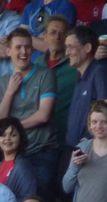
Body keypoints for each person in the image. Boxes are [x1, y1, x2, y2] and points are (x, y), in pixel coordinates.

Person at [0, 29, 58, 194]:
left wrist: (13, 129)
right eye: (18, 47)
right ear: (8, 51)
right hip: (12, 154)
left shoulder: (45, 74)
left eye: (27, 47)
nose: (23, 52)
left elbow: (43, 115)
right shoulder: (2, 82)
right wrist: (9, 92)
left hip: (41, 151)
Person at [64, 25, 107, 149]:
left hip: (89, 148)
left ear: (87, 48)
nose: (66, 52)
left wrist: (89, 140)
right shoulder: (79, 75)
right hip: (73, 147)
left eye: (70, 47)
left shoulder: (98, 72)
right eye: (66, 47)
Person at [34, 16, 77, 147]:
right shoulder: (36, 64)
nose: (57, 37)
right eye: (53, 32)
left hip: (65, 136)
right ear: (45, 36)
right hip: (38, 137)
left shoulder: (75, 65)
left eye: (62, 33)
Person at [0, 118, 38, 202]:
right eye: (3, 135)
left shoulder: (22, 166)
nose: (7, 138)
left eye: (13, 135)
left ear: (20, 138)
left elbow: (28, 198)